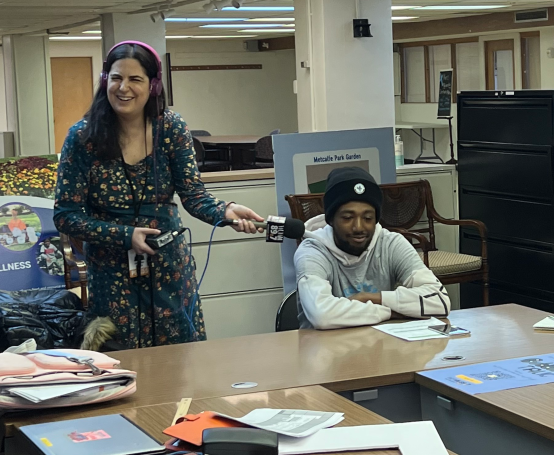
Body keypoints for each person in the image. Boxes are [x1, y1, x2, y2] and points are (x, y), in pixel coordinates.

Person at [54, 41, 263, 349]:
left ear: (152, 86)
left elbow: (193, 195)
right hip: (112, 272)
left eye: (135, 79)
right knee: (122, 357)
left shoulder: (171, 128)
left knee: (181, 357)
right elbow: (65, 216)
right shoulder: (83, 137)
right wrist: (125, 235)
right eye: (116, 78)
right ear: (105, 81)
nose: (123, 88)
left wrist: (226, 212)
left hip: (168, 265)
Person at [294, 167, 450, 329]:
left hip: (378, 345)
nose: (359, 227)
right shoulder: (312, 251)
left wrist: (371, 297)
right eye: (347, 218)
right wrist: (390, 312)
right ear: (331, 219)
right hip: (323, 348)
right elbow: (322, 316)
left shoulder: (391, 243)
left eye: (368, 218)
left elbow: (440, 301)